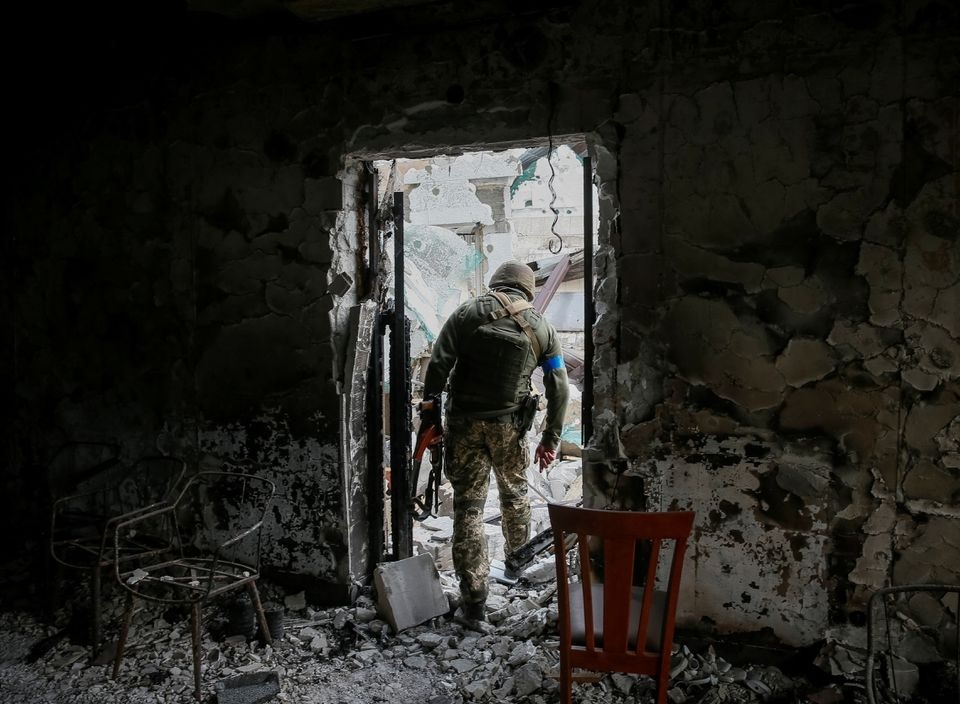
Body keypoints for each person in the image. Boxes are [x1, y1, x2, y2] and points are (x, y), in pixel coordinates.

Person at [421, 260, 569, 625]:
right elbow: (560, 386)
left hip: (465, 425)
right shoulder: (543, 328)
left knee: (468, 509)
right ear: (528, 289)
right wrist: (550, 438)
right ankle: (518, 572)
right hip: (510, 427)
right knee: (515, 495)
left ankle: (474, 601)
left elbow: (438, 366)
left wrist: (430, 420)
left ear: (496, 283)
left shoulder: (467, 313)